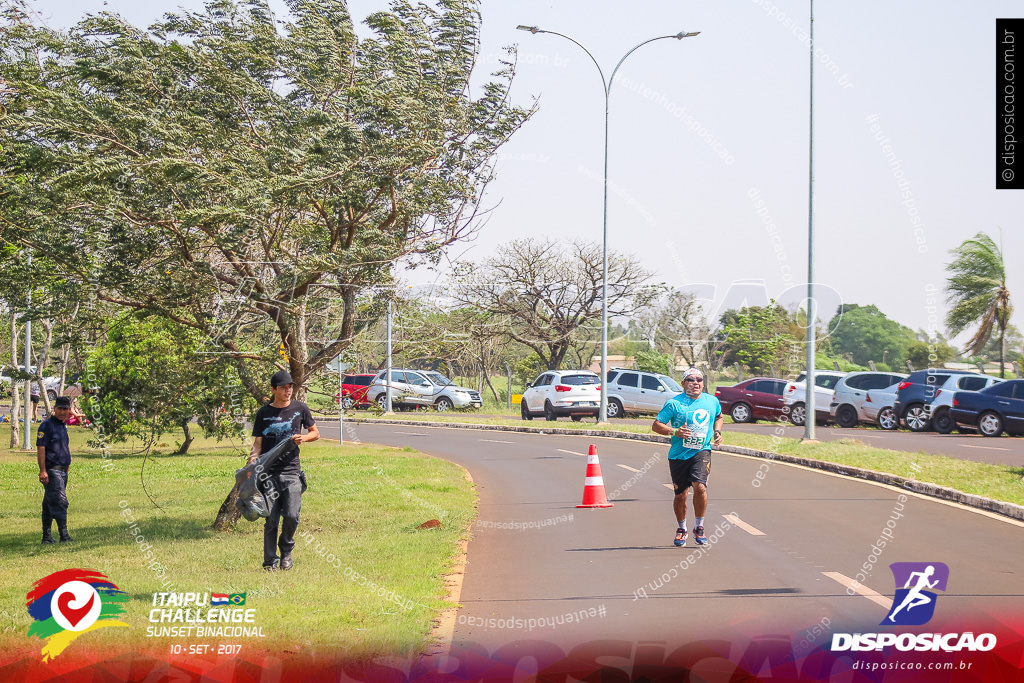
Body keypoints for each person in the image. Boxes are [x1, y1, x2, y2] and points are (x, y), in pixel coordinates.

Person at [248, 370, 319, 570]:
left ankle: (286, 550)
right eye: (283, 388)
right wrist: (250, 465)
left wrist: (302, 438)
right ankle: (270, 561)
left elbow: (315, 433)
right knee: (271, 521)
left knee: (291, 515)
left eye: (290, 387)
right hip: (268, 474)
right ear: (274, 390)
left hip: (292, 472)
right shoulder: (263, 413)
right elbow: (258, 444)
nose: (288, 391)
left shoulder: (300, 408)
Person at [652, 367, 723, 547]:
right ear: (683, 383)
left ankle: (699, 527)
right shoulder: (674, 404)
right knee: (681, 495)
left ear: (703, 383)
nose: (696, 383)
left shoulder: (711, 401)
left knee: (700, 487)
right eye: (691, 380)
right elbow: (656, 425)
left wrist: (717, 431)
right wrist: (674, 431)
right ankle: (682, 528)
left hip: (701, 451)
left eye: (699, 379)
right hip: (678, 455)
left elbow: (719, 416)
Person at [37, 396, 74, 544]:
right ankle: (64, 536)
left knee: (48, 504)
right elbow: (41, 448)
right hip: (52, 470)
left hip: (63, 470)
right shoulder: (47, 425)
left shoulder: (63, 426)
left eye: (66, 409)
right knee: (60, 502)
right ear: (55, 409)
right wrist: (43, 470)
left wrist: (67, 464)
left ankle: (46, 537)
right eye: (60, 409)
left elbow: (63, 446)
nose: (63, 412)